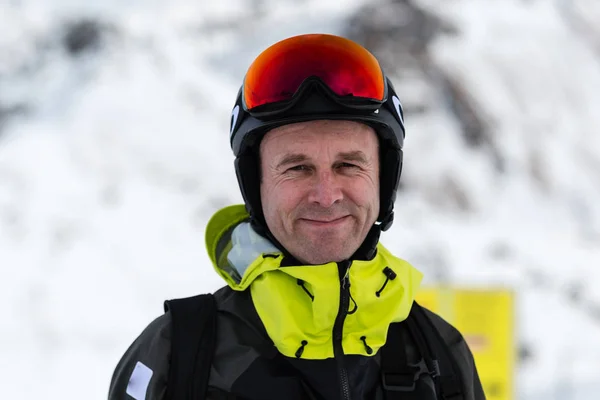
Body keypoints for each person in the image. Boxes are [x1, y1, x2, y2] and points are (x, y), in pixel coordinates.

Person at [108, 33, 485, 400]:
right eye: (297, 168)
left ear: (383, 179)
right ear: (256, 186)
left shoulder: (439, 354)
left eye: (348, 165)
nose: (326, 195)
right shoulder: (177, 358)